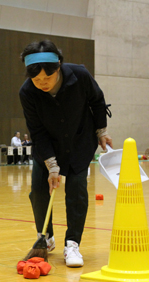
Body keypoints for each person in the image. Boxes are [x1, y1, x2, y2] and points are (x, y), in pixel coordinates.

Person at [19, 40, 112, 267]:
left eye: (47, 78)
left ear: (58, 66)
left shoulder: (79, 75)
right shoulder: (27, 92)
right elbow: (37, 131)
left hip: (80, 142)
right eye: (37, 79)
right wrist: (51, 165)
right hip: (47, 148)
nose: (42, 83)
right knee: (39, 192)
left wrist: (101, 131)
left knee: (77, 192)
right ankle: (46, 238)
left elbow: (97, 102)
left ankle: (72, 243)